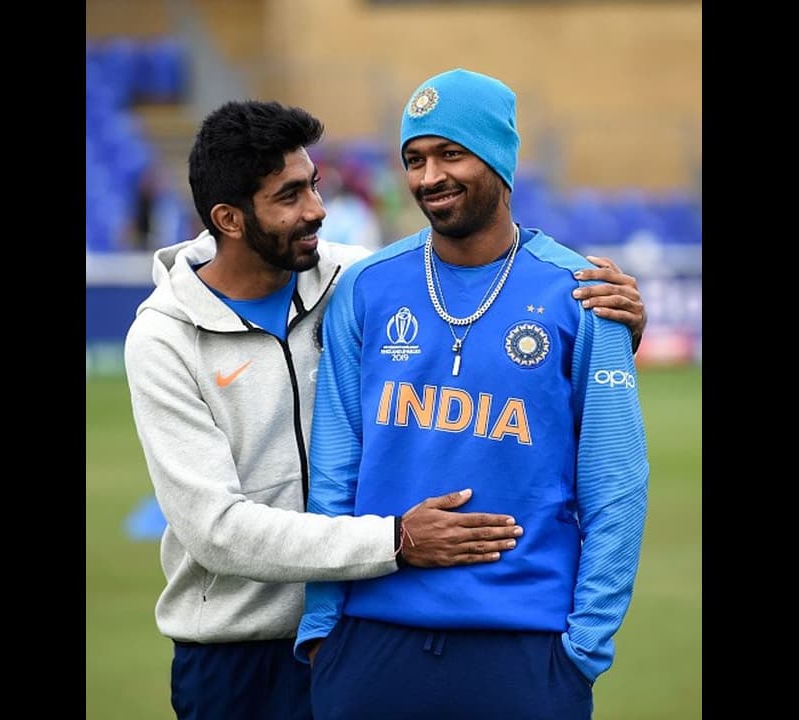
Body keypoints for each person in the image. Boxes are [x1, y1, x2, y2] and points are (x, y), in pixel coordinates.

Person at [122, 98, 648, 720]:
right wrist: (395, 541)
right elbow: (216, 530)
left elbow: (482, 286)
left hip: (360, 625)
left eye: (314, 184)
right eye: (290, 196)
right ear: (229, 219)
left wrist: (616, 328)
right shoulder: (164, 339)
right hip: (240, 647)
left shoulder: (353, 279)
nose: (317, 209)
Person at [294, 69, 650, 720]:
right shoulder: (366, 289)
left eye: (451, 153)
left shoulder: (584, 295)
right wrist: (322, 630)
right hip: (371, 645)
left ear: (499, 159)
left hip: (527, 652)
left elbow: (616, 486)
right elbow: (334, 474)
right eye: (415, 159)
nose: (430, 177)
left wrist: (583, 651)